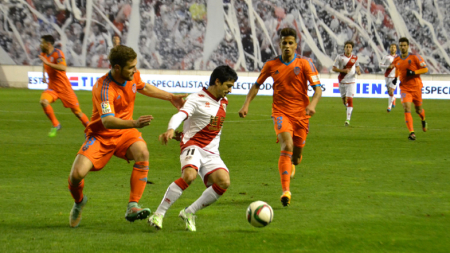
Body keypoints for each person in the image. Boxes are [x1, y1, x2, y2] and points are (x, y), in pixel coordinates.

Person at [67, 45, 187, 228]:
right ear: (116, 68)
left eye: (135, 66)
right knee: (76, 175)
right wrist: (135, 123)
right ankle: (79, 201)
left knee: (143, 153)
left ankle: (132, 206)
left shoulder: (132, 76)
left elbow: (143, 86)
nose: (135, 70)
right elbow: (107, 121)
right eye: (131, 67)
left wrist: (171, 97)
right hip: (101, 135)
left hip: (125, 132)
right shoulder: (104, 88)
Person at [238, 28, 322, 207]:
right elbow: (256, 86)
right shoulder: (271, 65)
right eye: (284, 43)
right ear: (280, 44)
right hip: (280, 112)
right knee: (287, 145)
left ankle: (292, 163)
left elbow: (318, 89)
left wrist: (312, 105)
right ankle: (286, 191)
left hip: (301, 115)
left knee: (297, 157)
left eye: (291, 43)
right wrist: (246, 104)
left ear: (296, 45)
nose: (287, 46)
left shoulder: (305, 63)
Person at [148, 65, 237, 232]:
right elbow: (180, 115)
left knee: (224, 182)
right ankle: (158, 214)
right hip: (193, 145)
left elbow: (205, 125)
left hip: (211, 151)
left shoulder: (223, 101)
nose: (230, 90)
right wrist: (171, 128)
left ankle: (189, 212)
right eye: (228, 86)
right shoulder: (196, 98)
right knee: (189, 175)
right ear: (217, 82)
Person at [38, 35, 90, 137]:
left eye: (42, 42)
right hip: (52, 87)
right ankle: (56, 124)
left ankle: (90, 130)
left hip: (64, 88)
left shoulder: (58, 53)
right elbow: (44, 64)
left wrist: (48, 63)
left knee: (77, 112)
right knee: (43, 102)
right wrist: (43, 74)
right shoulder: (43, 54)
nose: (40, 45)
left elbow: (63, 67)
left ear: (48, 44)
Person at [390, 37, 428, 140]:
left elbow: (425, 69)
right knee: (407, 108)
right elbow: (397, 69)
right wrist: (395, 78)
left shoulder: (415, 57)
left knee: (418, 110)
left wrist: (414, 72)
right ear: (399, 46)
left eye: (404, 45)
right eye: (401, 45)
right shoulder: (396, 59)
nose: (403, 47)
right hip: (405, 88)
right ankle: (412, 133)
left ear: (408, 46)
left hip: (416, 88)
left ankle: (423, 119)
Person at [332, 41, 361, 126]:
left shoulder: (355, 58)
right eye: (346, 47)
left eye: (349, 47)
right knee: (344, 101)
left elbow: (357, 66)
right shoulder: (339, 57)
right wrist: (343, 70)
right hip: (342, 81)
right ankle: (348, 108)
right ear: (344, 48)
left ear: (352, 48)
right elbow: (334, 68)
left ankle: (347, 120)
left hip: (351, 81)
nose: (348, 48)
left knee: (350, 99)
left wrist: (358, 71)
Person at [379, 43, 398, 112]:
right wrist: (387, 66)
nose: (393, 48)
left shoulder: (398, 58)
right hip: (387, 76)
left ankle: (389, 107)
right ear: (389, 49)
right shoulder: (386, 57)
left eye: (394, 47)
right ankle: (394, 98)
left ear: (396, 49)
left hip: (394, 77)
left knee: (391, 91)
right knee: (389, 92)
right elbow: (380, 65)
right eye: (391, 47)